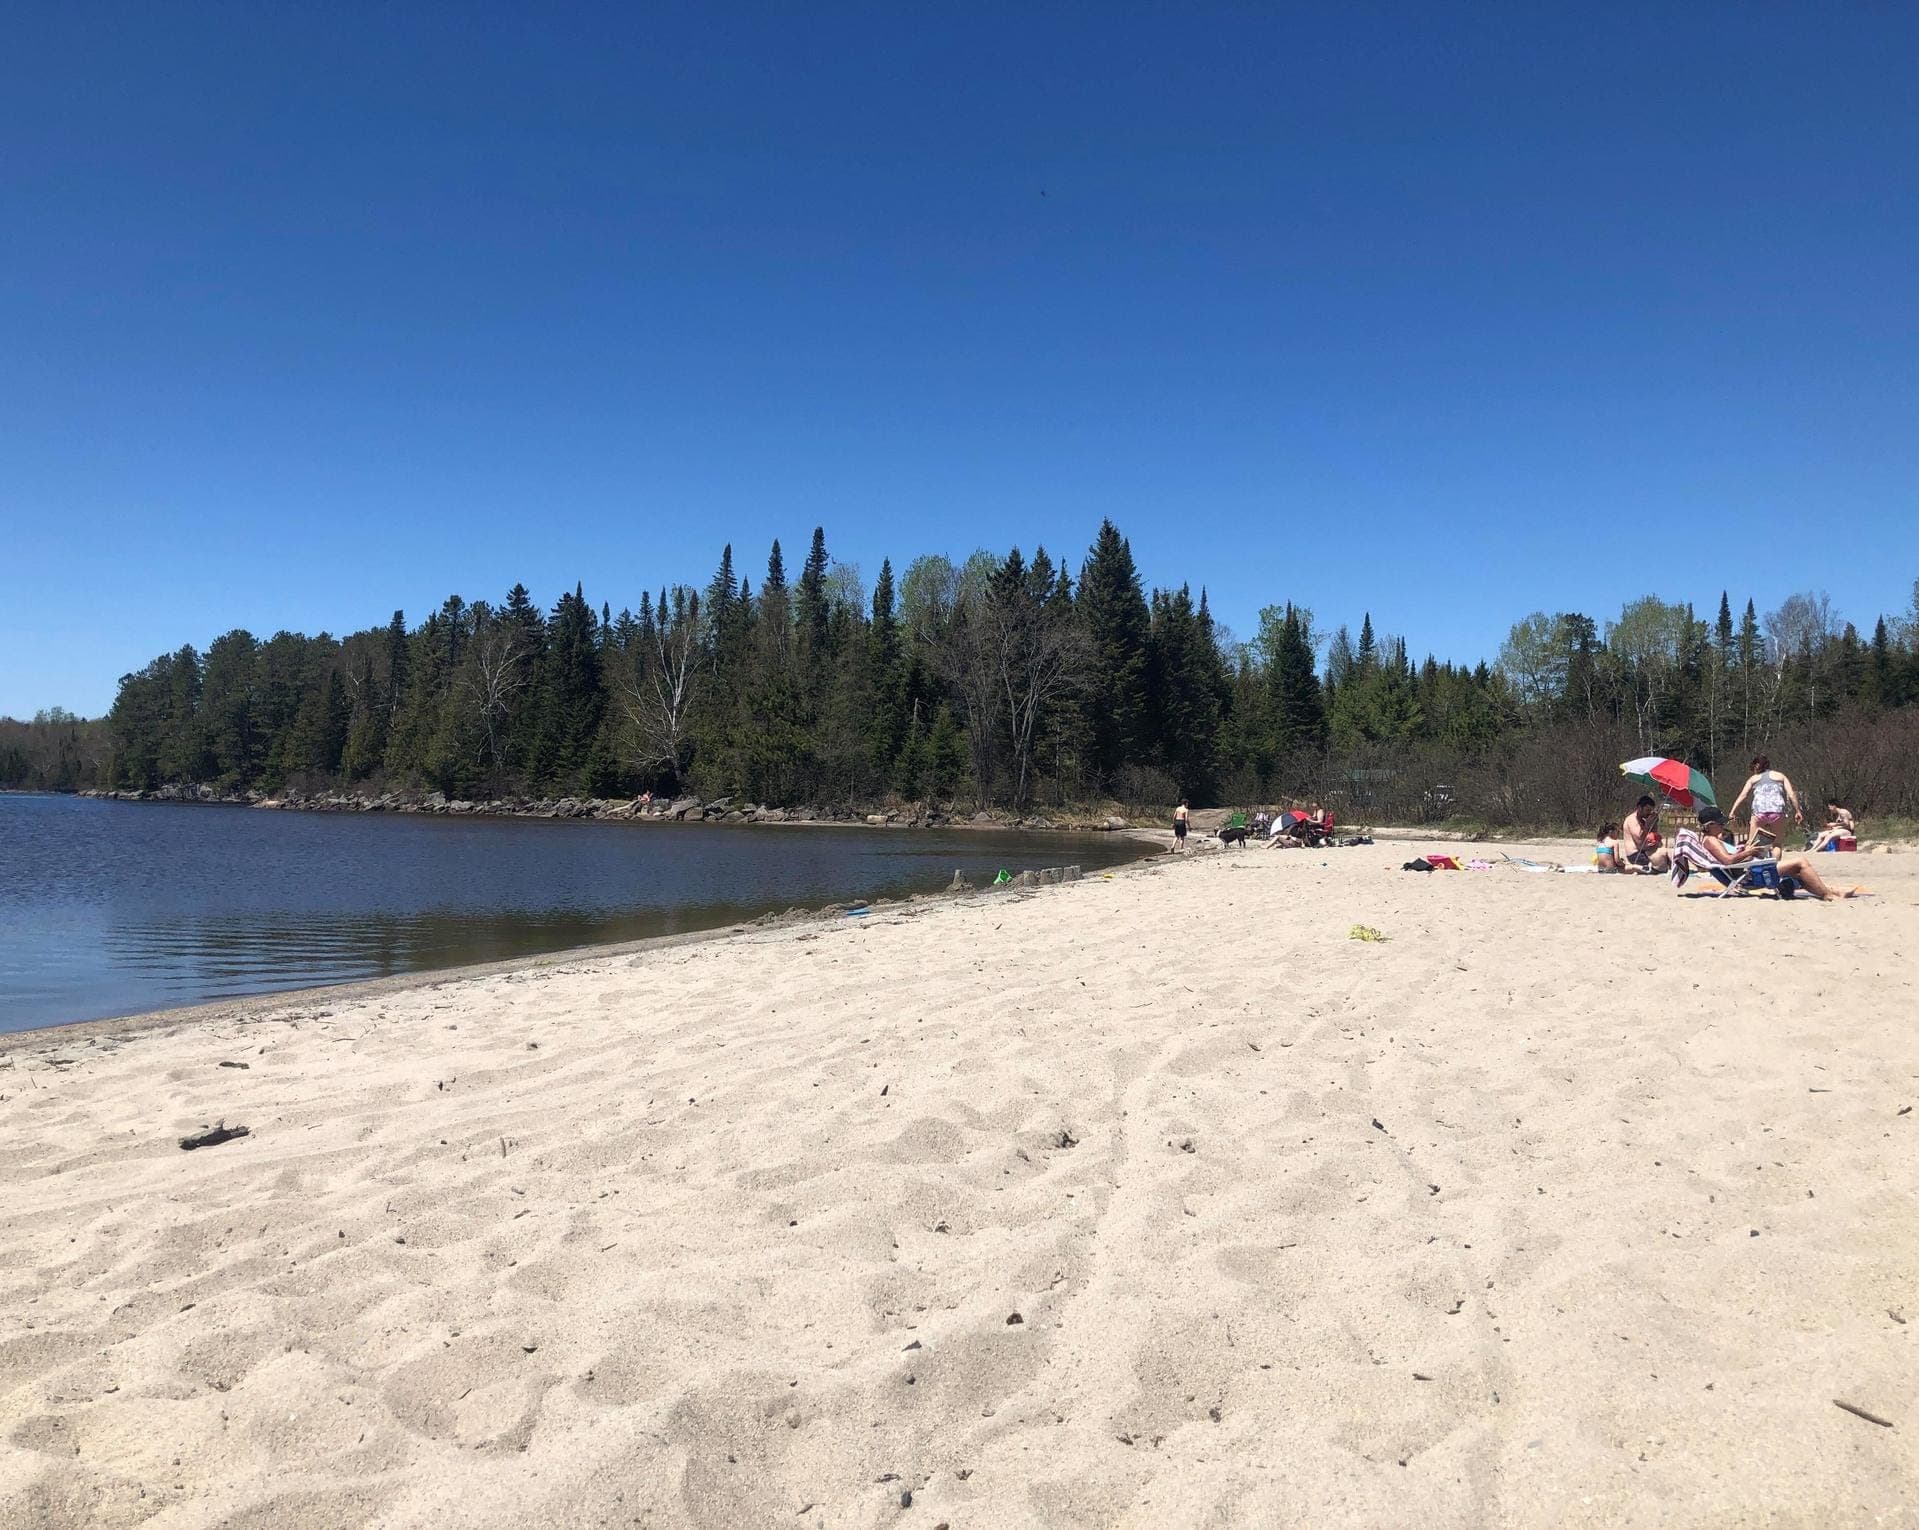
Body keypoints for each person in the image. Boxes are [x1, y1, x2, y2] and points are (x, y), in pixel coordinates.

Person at [1676, 811, 1864, 900]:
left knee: (1797, 870)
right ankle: (1828, 895)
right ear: (1710, 825)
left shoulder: (1711, 840)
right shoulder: (1711, 841)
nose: (1723, 826)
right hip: (1750, 874)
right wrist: (1749, 852)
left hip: (1748, 870)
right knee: (1801, 862)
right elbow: (1727, 861)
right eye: (1720, 823)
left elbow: (1727, 860)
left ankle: (1832, 890)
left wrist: (1746, 850)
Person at [1727, 754, 1803, 856]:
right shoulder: (1780, 776)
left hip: (1759, 812)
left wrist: (1733, 811)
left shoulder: (1753, 779)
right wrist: (1797, 810)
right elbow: (1791, 794)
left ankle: (1752, 863)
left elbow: (1743, 795)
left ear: (1756, 766)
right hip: (1777, 811)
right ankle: (1775, 864)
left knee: (1751, 843)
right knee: (1777, 844)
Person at [1620, 795, 1670, 873]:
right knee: (1660, 858)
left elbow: (1653, 835)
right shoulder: (1632, 820)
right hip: (1636, 855)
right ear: (1639, 808)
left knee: (1665, 852)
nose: (1649, 813)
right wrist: (1647, 825)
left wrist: (1654, 824)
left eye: (1651, 811)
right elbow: (1640, 841)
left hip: (1645, 851)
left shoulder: (1642, 820)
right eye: (1647, 810)